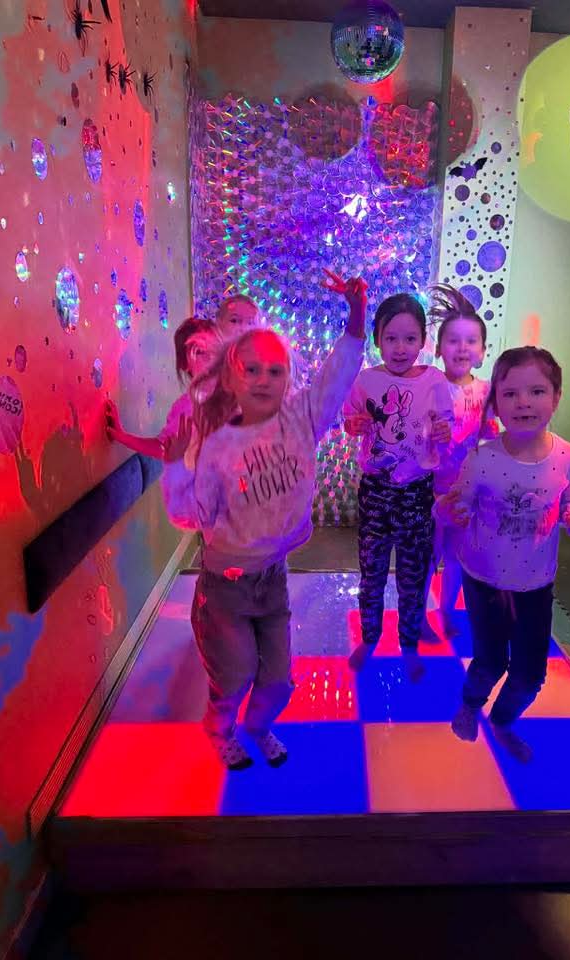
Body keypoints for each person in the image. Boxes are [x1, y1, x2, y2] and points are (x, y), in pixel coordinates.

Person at [161, 270, 366, 769]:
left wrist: (357, 315)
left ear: (288, 380)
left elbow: (337, 375)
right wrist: (174, 467)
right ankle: (219, 727)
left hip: (272, 578)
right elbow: (189, 514)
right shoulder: (218, 444)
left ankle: (257, 725)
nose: (263, 380)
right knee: (234, 676)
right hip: (225, 584)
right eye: (250, 370)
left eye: (275, 371)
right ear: (231, 379)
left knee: (277, 681)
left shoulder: (301, 419)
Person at [436, 346, 570, 760]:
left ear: (556, 397)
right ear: (496, 404)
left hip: (535, 583)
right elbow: (456, 504)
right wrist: (447, 510)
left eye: (537, 391)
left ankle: (503, 720)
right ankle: (470, 704)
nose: (523, 402)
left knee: (530, 675)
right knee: (489, 663)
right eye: (510, 394)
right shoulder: (482, 459)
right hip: (484, 578)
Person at [343, 293, 453, 682]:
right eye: (391, 338)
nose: (400, 348)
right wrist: (354, 424)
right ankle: (369, 638)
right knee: (371, 574)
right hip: (376, 492)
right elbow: (350, 420)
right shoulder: (366, 380)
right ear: (377, 339)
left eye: (409, 338)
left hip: (416, 494)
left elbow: (446, 426)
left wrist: (443, 432)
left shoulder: (435, 380)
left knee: (413, 576)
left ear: (423, 340)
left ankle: (409, 644)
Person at [423, 284, 498, 641]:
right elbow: (414, 434)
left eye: (471, 341)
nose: (462, 347)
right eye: (453, 340)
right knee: (427, 555)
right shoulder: (429, 386)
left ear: (482, 351)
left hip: (468, 491)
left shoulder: (485, 392)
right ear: (439, 349)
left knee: (457, 556)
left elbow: (492, 434)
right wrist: (429, 433)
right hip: (429, 489)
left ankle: (447, 612)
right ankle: (417, 615)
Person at [105, 316, 221, 460]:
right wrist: (122, 436)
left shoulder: (232, 392)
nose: (210, 357)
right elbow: (162, 447)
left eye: (214, 348)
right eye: (199, 351)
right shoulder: (187, 408)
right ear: (185, 364)